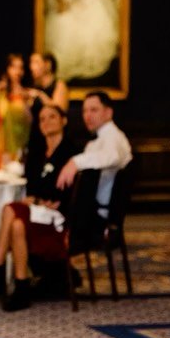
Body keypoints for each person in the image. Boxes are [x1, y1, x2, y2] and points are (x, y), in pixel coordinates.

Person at [0, 104, 77, 311]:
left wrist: (40, 200)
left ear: (64, 120)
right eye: (42, 119)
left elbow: (65, 194)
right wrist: (38, 200)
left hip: (58, 220)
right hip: (37, 213)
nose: (47, 122)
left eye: (52, 117)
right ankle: (21, 287)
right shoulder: (37, 153)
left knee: (10, 209)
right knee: (16, 224)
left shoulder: (71, 152)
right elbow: (32, 187)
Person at [56, 90, 132, 238]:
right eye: (85, 111)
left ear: (108, 113)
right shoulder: (99, 140)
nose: (87, 116)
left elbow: (112, 156)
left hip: (94, 218)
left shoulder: (113, 137)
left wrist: (75, 162)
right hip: (89, 212)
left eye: (94, 110)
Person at [0, 52, 32, 165]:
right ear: (6, 68)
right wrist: (0, 87)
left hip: (20, 147)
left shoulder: (27, 93)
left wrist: (23, 97)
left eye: (20, 68)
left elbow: (30, 121)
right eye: (13, 67)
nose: (17, 71)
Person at [26, 51, 69, 161]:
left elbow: (59, 110)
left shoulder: (59, 85)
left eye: (36, 62)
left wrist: (40, 96)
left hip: (53, 140)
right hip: (35, 137)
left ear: (48, 64)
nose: (32, 67)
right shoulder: (35, 88)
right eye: (31, 63)